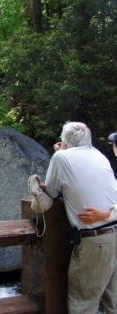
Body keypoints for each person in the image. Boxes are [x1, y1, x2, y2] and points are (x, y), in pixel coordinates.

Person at [39, 122, 117, 314]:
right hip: (114, 233)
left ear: (65, 142)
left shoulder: (61, 157)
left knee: (83, 305)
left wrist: (60, 153)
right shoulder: (99, 156)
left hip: (95, 240)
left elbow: (50, 191)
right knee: (113, 302)